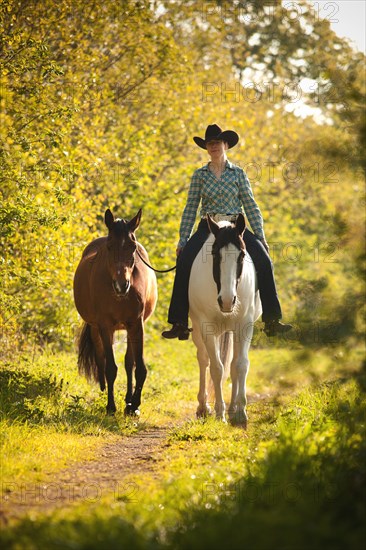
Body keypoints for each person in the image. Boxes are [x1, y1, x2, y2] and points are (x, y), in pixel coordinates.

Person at [162, 124, 292, 340]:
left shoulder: (239, 174)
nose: (213, 146)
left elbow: (250, 205)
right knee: (184, 261)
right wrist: (183, 239)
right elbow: (190, 207)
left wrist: (260, 236)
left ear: (225, 145)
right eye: (209, 143)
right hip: (209, 226)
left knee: (263, 260)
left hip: (235, 228)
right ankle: (179, 322)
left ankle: (271, 319)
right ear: (206, 148)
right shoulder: (199, 175)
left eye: (217, 143)